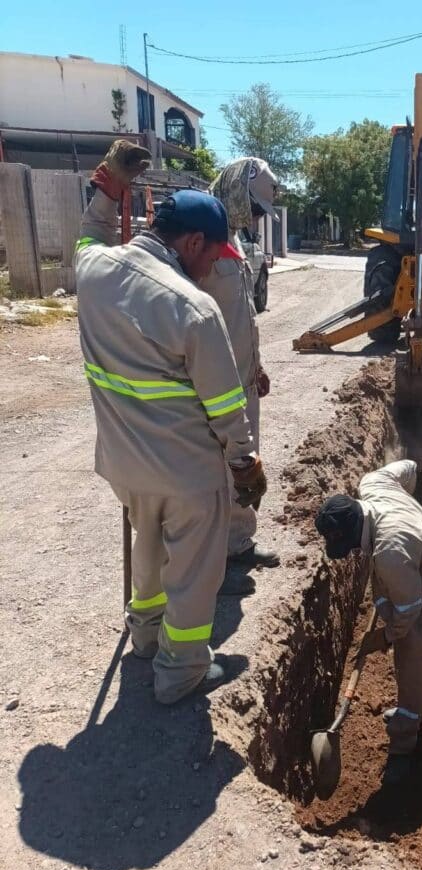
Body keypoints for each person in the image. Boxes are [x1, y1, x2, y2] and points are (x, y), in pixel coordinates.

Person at [76, 140, 266, 704]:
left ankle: (145, 637)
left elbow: (89, 235)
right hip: (187, 472)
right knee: (193, 573)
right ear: (191, 242)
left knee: (149, 550)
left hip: (124, 466)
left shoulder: (94, 270)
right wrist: (245, 462)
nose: (213, 266)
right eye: (212, 254)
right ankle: (180, 670)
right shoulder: (193, 308)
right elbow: (225, 404)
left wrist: (107, 191)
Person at [314, 460, 422, 785]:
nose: (353, 552)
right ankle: (420, 701)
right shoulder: (374, 484)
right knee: (406, 648)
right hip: (418, 573)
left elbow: (410, 609)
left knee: (411, 659)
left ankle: (403, 746)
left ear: (357, 529)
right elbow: (409, 468)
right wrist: (415, 517)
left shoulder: (390, 550)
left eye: (350, 545)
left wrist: (384, 638)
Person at [207, 158, 281, 572]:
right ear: (237, 192)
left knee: (244, 466)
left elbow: (242, 317)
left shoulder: (232, 243)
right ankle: (219, 557)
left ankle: (239, 543)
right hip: (216, 385)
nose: (256, 217)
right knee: (222, 468)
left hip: (241, 381)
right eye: (253, 207)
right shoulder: (201, 244)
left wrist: (257, 366)